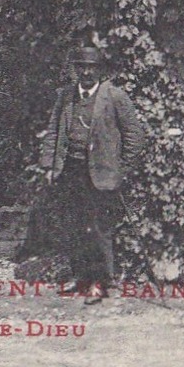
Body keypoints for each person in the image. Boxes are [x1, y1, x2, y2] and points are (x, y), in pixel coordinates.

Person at [38, 45, 148, 304]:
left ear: (100, 70)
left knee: (99, 229)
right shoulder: (65, 96)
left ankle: (100, 283)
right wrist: (49, 166)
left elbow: (135, 136)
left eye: (92, 67)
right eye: (82, 67)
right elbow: (54, 131)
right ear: (75, 69)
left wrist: (121, 169)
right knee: (74, 227)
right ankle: (81, 279)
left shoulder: (114, 96)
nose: (86, 72)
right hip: (71, 170)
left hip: (101, 175)